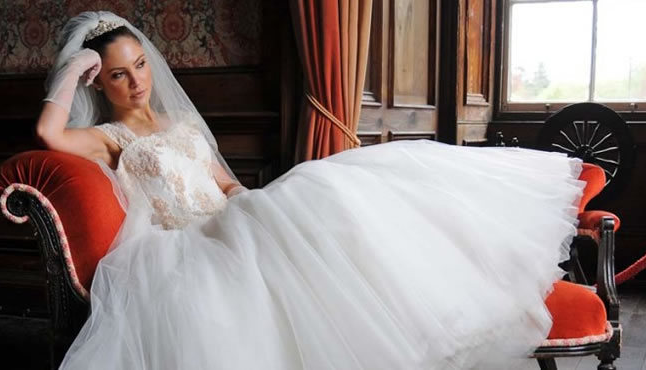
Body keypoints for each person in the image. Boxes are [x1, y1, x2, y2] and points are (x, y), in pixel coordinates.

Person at [39, 11, 585, 370]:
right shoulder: (108, 138)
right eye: (116, 75)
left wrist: (245, 202)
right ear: (98, 82)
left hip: (230, 217)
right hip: (183, 242)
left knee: (331, 189)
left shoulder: (178, 123)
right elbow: (48, 134)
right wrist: (75, 66)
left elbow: (224, 181)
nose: (136, 81)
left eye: (139, 65)